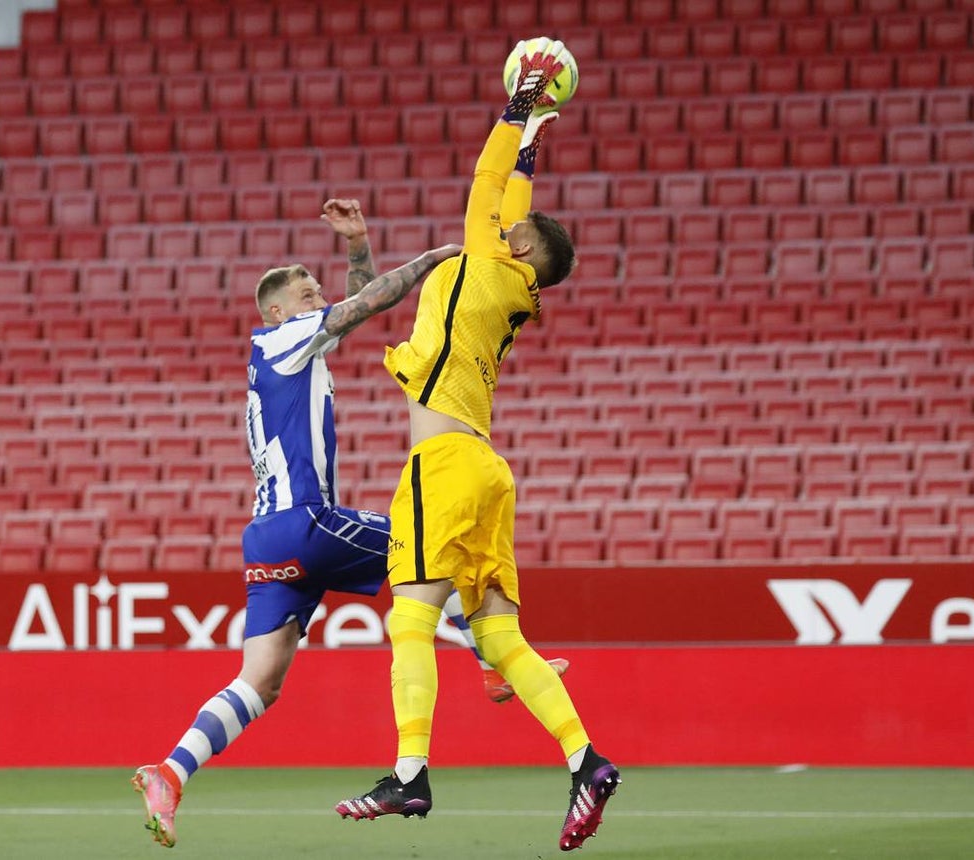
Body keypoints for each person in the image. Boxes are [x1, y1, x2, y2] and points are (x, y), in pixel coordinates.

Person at [131, 201, 539, 849]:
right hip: (306, 522)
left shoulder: (281, 354)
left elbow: (353, 306)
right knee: (428, 538)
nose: (318, 296)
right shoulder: (279, 338)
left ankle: (171, 773)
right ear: (277, 311)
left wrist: (357, 245)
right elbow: (368, 305)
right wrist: (432, 262)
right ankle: (495, 659)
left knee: (259, 681)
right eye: (306, 293)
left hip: (267, 541)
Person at [334, 40, 620, 852]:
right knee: (498, 637)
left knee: (410, 624)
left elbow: (487, 184)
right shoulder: (509, 279)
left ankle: (410, 776)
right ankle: (586, 761)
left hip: (445, 466)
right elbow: (514, 192)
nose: (503, 222)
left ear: (522, 246)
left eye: (514, 227)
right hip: (487, 471)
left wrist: (519, 106)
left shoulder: (490, 260)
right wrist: (535, 140)